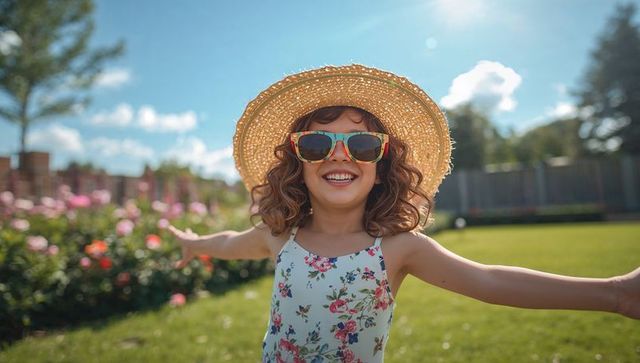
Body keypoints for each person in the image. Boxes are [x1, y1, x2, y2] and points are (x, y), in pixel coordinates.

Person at [168, 64, 639, 363]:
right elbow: (231, 242)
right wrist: (195, 244)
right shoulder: (280, 235)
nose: (340, 156)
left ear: (382, 163)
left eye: (362, 143)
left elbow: (491, 281)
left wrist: (615, 294)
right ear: (298, 162)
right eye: (316, 143)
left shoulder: (397, 249)